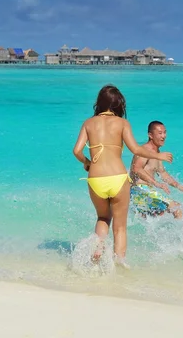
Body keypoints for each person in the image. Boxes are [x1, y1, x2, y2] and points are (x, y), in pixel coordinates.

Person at [73, 85, 173, 267]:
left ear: (100, 103)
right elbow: (136, 149)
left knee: (103, 218)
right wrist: (158, 155)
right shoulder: (122, 123)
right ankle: (119, 262)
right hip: (118, 178)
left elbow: (77, 151)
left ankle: (98, 248)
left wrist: (87, 163)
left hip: (95, 179)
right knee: (119, 227)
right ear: (119, 104)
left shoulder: (88, 123)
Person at [130, 121, 183, 219]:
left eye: (165, 132)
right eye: (160, 133)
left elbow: (163, 174)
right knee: (176, 208)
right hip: (139, 191)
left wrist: (180, 186)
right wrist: (156, 183)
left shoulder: (156, 153)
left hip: (144, 193)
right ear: (150, 135)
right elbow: (137, 169)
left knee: (151, 219)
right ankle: (180, 234)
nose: (163, 136)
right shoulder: (145, 150)